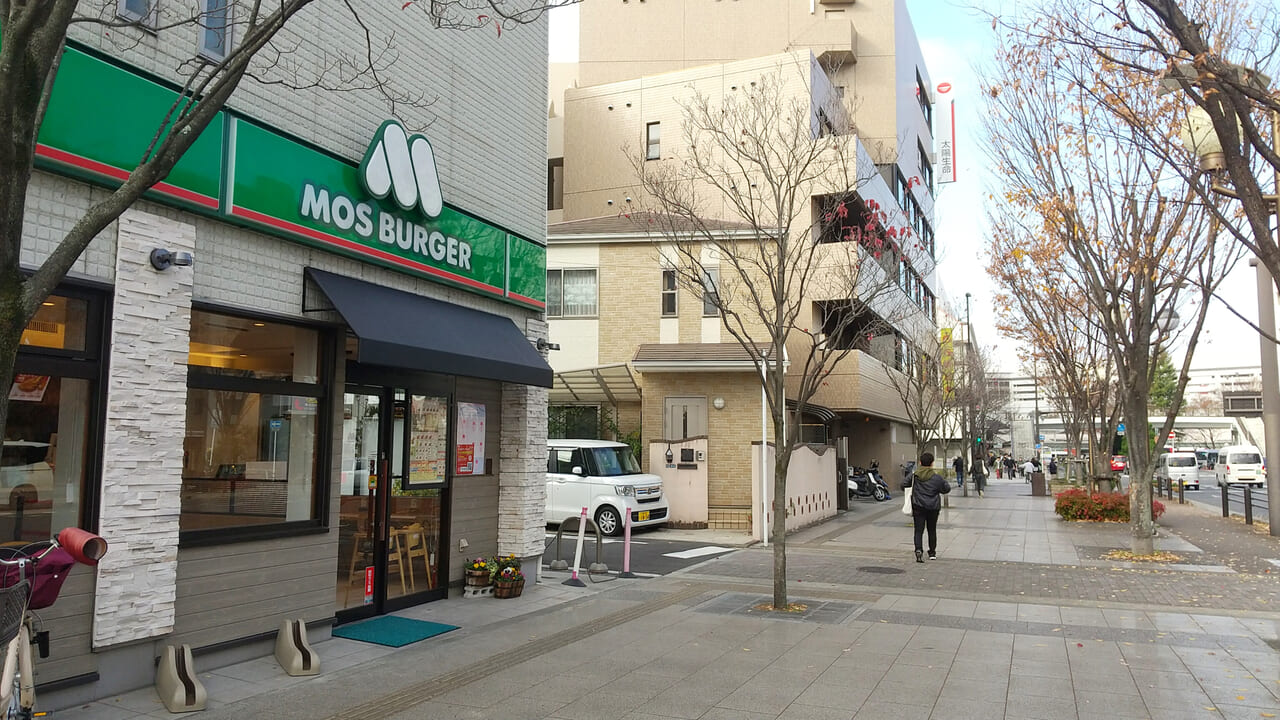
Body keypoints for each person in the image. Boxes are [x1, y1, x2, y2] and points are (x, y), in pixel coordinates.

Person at [906, 452, 951, 562]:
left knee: (918, 530)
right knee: (932, 530)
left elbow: (903, 484)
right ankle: (932, 553)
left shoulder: (914, 475)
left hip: (918, 506)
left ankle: (918, 550)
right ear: (932, 463)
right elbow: (946, 488)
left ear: (920, 462)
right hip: (933, 507)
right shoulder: (937, 477)